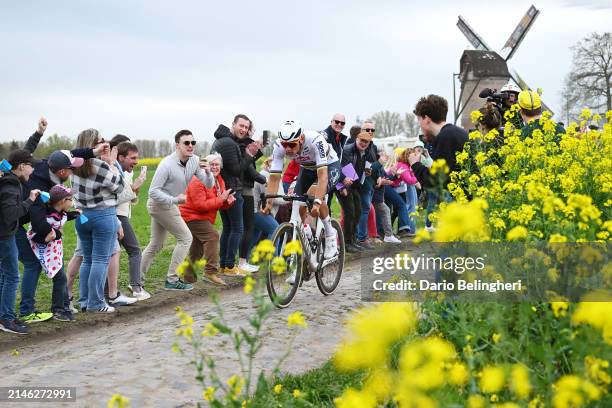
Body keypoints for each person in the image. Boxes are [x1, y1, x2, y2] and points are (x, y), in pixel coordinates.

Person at [140, 130, 214, 292]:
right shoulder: (166, 165)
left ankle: (136, 281)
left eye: (192, 143)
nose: (190, 146)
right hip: (159, 205)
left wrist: (209, 172)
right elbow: (153, 191)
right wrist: (175, 200)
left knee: (156, 244)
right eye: (186, 143)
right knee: (186, 237)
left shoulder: (194, 161)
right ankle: (172, 279)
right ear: (177, 146)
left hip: (169, 204)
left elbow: (208, 184)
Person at [264, 120, 342, 264]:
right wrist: (269, 203)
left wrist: (317, 203)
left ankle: (331, 235)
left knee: (314, 192)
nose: (287, 149)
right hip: (307, 168)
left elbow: (323, 177)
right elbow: (274, 177)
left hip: (329, 166)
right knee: (299, 200)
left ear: (301, 139)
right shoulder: (279, 146)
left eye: (292, 145)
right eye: (284, 144)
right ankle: (307, 231)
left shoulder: (315, 141)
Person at [72, 129, 124, 313]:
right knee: (101, 260)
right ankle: (96, 303)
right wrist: (112, 163)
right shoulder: (99, 166)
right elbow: (119, 186)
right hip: (103, 215)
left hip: (83, 216)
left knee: (87, 260)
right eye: (102, 140)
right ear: (94, 144)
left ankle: (85, 301)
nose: (105, 143)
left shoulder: (75, 165)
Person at [0, 150, 41, 334]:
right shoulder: (10, 184)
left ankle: (4, 315)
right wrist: (30, 201)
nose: (32, 171)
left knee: (4, 276)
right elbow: (10, 214)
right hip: (5, 236)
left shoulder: (9, 180)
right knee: (12, 277)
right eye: (31, 166)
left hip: (5, 235)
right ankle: (6, 319)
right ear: (22, 166)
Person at [179, 154, 235, 286]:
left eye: (217, 165)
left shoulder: (219, 180)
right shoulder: (198, 180)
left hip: (202, 217)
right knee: (212, 236)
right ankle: (210, 272)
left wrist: (228, 202)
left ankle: (188, 279)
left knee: (197, 248)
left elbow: (218, 202)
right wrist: (221, 199)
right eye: (212, 164)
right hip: (191, 215)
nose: (215, 167)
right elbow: (200, 205)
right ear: (206, 166)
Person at [27, 184, 80, 322]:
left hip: (55, 250)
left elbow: (65, 216)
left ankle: (64, 305)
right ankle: (58, 309)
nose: (72, 202)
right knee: (60, 278)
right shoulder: (47, 217)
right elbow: (35, 234)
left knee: (61, 276)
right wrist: (47, 238)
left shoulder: (59, 212)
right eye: (71, 199)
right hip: (46, 250)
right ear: (62, 201)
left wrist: (75, 214)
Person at [210, 115, 252, 277]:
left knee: (228, 228)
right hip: (232, 191)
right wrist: (249, 156)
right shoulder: (228, 143)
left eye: (246, 127)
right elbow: (235, 170)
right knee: (237, 228)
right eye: (241, 125)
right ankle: (228, 265)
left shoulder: (222, 141)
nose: (244, 129)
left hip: (224, 190)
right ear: (233, 125)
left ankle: (223, 265)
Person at [409, 94, 468, 194]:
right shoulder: (458, 132)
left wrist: (415, 164)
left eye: (419, 121)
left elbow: (436, 183)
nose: (420, 127)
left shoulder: (445, 137)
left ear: (426, 119)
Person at [115, 141, 148, 300]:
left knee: (111, 255)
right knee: (134, 250)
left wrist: (136, 187)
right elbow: (116, 199)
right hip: (117, 216)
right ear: (121, 157)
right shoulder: (116, 172)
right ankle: (136, 288)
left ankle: (108, 294)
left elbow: (131, 199)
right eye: (133, 157)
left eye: (137, 157)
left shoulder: (126, 172)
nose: (136, 161)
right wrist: (134, 187)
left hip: (121, 215)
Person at [236, 122, 266, 274]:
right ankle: (241, 263)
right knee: (245, 227)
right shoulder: (242, 147)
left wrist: (257, 151)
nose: (250, 132)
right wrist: (265, 180)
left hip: (245, 188)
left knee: (245, 227)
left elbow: (250, 164)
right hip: (245, 190)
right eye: (250, 130)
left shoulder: (244, 145)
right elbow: (249, 170)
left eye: (250, 129)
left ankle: (242, 262)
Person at [340, 131, 376, 251]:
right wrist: (342, 187)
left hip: (353, 185)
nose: (364, 143)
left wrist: (367, 172)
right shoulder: (347, 150)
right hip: (342, 184)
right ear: (356, 139)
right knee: (350, 212)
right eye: (362, 141)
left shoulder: (366, 152)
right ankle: (347, 243)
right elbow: (341, 168)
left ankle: (353, 240)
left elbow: (365, 167)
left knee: (358, 212)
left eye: (366, 142)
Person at [251, 158, 284, 252]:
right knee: (275, 230)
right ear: (267, 164)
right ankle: (273, 263)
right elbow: (275, 198)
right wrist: (289, 198)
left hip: (255, 210)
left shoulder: (272, 176)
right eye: (272, 163)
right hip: (258, 210)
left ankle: (244, 262)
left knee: (253, 236)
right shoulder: (265, 176)